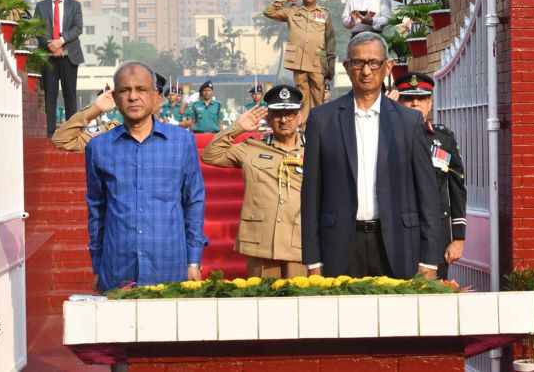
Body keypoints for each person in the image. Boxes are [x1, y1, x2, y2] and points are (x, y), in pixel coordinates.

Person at [301, 32, 441, 280]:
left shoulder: (408, 122)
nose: (366, 71)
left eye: (374, 62)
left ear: (387, 67)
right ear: (347, 67)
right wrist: (313, 260)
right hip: (340, 245)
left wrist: (429, 259)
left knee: (396, 319)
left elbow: (427, 196)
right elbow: (311, 195)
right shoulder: (323, 120)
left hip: (397, 244)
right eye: (358, 63)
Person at [86, 62, 206, 291]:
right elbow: (96, 210)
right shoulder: (98, 147)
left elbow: (194, 202)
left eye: (141, 89)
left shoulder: (181, 142)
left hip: (170, 263)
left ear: (155, 96)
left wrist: (193, 260)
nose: (133, 97)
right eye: (125, 90)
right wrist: (98, 264)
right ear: (115, 97)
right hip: (117, 266)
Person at [202, 85, 307, 279]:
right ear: (268, 119)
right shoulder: (251, 147)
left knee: (300, 302)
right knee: (262, 303)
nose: (284, 120)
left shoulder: (315, 148)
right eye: (277, 114)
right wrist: (237, 128)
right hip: (262, 243)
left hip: (300, 242)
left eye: (290, 114)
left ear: (299, 117)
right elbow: (210, 155)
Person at [395, 73, 466, 280]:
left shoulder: (443, 139)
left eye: (421, 98)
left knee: (434, 298)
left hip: (437, 233)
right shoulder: (387, 137)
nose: (415, 103)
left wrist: (459, 237)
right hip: (398, 232)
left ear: (430, 104)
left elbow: (457, 188)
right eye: (408, 98)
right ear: (399, 102)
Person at [263, 0, 336, 127]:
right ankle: (303, 129)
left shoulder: (325, 13)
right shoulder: (292, 11)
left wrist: (331, 64)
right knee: (302, 97)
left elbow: (330, 39)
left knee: (318, 97)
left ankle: (319, 128)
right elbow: (268, 12)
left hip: (317, 62)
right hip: (300, 61)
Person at [51, 73, 167, 153]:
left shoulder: (178, 138)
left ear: (159, 100)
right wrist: (95, 109)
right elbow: (62, 140)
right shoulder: (111, 131)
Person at [35, 0, 84, 137]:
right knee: (50, 95)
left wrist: (60, 41)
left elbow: (78, 28)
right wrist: (51, 45)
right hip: (49, 57)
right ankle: (50, 133)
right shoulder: (41, 7)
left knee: (70, 94)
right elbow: (37, 29)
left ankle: (71, 133)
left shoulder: (75, 5)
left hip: (70, 55)